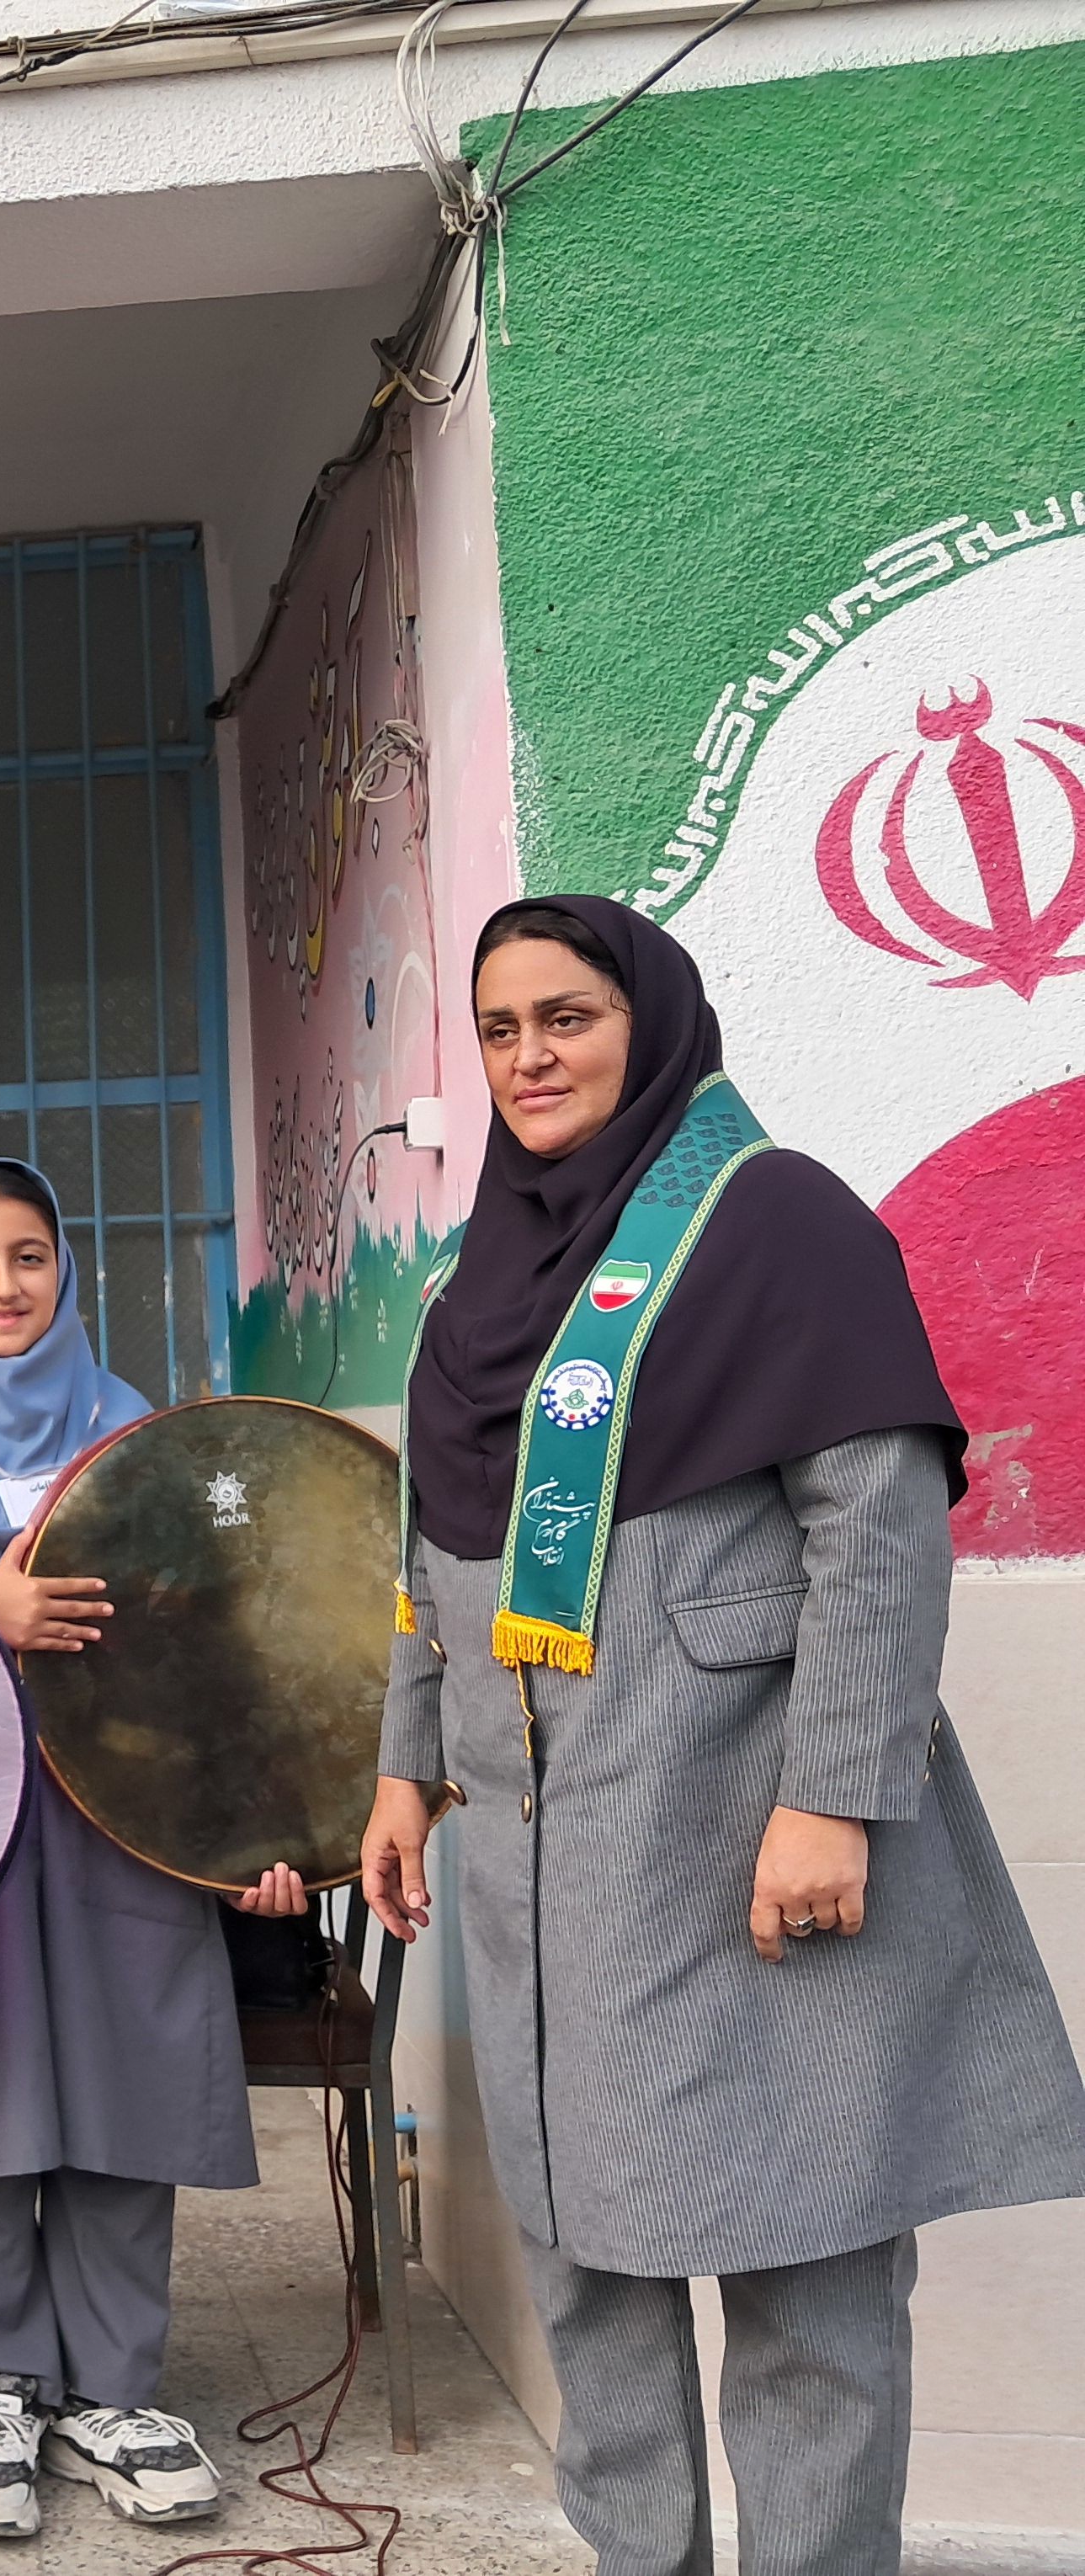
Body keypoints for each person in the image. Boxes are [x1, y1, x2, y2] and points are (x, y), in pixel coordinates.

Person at [359, 897, 1085, 2576]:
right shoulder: (481, 1274)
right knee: (587, 2268)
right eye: (500, 1029)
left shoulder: (777, 1223)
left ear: (652, 1022)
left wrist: (835, 1799)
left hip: (736, 1824)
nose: (529, 1057)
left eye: (568, 1017)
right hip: (545, 1864)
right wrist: (406, 1764)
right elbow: (435, 1547)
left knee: (808, 2261)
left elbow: (878, 1524)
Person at [0, 1161, 309, 2541]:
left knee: (123, 2071)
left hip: (117, 1815)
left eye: (28, 1256)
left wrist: (252, 1826)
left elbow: (212, 1635)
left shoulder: (127, 1423)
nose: (3, 1286)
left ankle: (114, 2392)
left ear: (65, 1268)